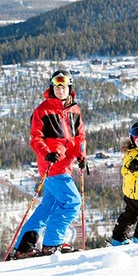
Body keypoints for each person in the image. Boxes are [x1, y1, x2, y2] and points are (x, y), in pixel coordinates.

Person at [13, 69, 86, 258]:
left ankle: (24, 247)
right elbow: (35, 138)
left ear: (69, 88)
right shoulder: (42, 111)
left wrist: (81, 155)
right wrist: (47, 154)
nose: (60, 90)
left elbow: (79, 136)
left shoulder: (74, 110)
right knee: (72, 202)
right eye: (57, 86)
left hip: (66, 165)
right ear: (51, 87)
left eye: (64, 86)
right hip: (53, 166)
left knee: (49, 207)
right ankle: (53, 244)